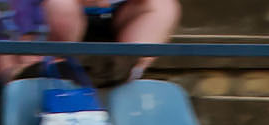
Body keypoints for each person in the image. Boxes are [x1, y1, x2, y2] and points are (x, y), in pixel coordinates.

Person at [43, 0, 178, 82]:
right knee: (60, 6)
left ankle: (126, 75)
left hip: (119, 15)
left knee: (162, 7)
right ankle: (57, 73)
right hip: (66, 14)